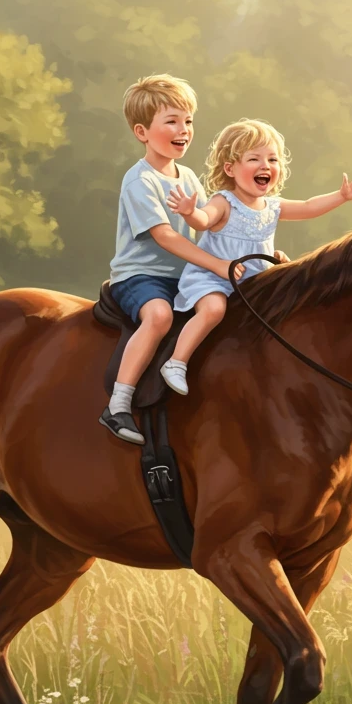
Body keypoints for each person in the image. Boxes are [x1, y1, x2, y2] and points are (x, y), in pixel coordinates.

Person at [160, 118, 352, 395]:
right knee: (214, 309)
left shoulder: (273, 206)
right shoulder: (224, 202)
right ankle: (177, 362)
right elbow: (203, 220)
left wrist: (341, 196)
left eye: (272, 159)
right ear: (230, 169)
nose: (265, 165)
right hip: (214, 279)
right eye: (254, 159)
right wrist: (190, 212)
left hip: (254, 282)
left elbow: (308, 207)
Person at [99, 75, 237, 445]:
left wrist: (255, 254)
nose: (183, 130)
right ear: (142, 132)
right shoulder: (139, 181)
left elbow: (210, 226)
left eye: (188, 121)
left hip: (185, 276)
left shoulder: (188, 176)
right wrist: (218, 266)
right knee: (159, 315)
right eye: (172, 121)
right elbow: (165, 236)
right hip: (142, 275)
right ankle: (118, 403)